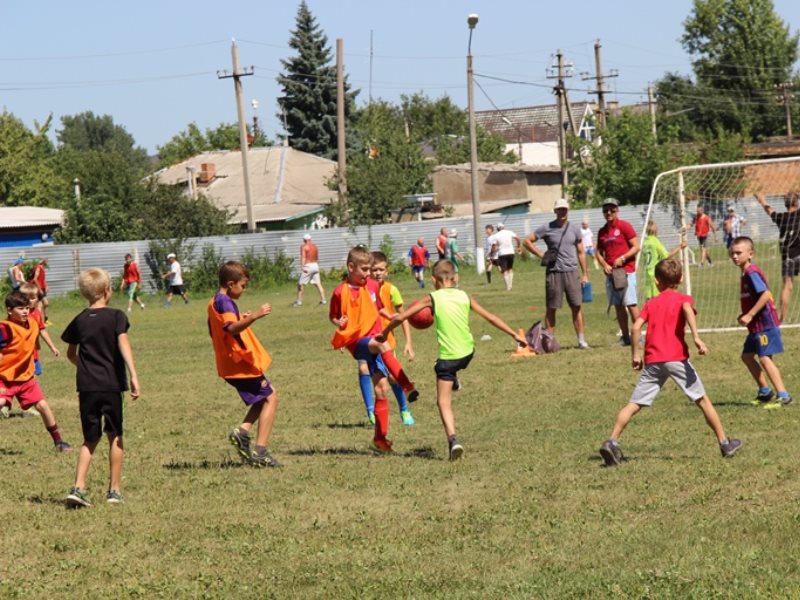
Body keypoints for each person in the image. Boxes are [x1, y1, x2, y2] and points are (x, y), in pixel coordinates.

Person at [377, 259, 527, 461]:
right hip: (468, 353)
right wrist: (513, 335)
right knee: (441, 367)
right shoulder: (465, 295)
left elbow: (400, 318)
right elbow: (490, 317)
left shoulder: (432, 298)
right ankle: (454, 379)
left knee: (443, 401)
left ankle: (453, 440)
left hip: (448, 361)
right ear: (456, 278)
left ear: (433, 280)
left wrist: (385, 333)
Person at [598, 258, 742, 466]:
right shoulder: (684, 299)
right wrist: (696, 337)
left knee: (634, 404)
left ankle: (612, 441)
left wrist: (635, 354)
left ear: (657, 282)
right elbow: (686, 309)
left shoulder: (650, 303)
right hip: (676, 359)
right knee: (702, 400)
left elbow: (636, 328)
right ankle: (725, 443)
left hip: (653, 360)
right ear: (681, 278)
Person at [61, 268, 140, 507]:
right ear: (108, 290)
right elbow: (124, 345)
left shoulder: (80, 319)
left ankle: (78, 487)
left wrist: (84, 367)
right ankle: (114, 491)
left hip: (86, 387)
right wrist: (134, 375)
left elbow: (71, 354)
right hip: (111, 385)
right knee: (115, 435)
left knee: (89, 439)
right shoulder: (116, 317)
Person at [328, 246, 418, 454]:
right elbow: (332, 316)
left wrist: (391, 316)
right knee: (382, 343)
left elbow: (379, 308)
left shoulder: (372, 286)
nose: (368, 274)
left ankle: (380, 439)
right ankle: (406, 385)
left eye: (370, 270)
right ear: (351, 267)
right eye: (365, 269)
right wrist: (338, 321)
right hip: (357, 340)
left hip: (373, 336)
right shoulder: (340, 291)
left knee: (382, 389)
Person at [208, 261, 281, 467]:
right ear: (231, 284)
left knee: (262, 398)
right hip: (238, 364)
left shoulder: (215, 301)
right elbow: (231, 329)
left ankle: (242, 432)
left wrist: (243, 318)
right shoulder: (226, 302)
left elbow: (221, 329)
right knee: (271, 398)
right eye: (243, 285)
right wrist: (255, 316)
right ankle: (260, 451)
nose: (244, 290)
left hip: (229, 364)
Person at [0, 290, 71, 450]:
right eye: (20, 308)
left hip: (25, 377)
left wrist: (52, 346)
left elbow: (41, 329)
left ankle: (59, 441)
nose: (25, 311)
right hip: (5, 377)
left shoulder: (33, 321)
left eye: (26, 307)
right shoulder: (5, 328)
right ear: (9, 310)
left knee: (43, 406)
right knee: (1, 402)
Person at [729, 236, 792, 409]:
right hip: (756, 327)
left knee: (764, 358)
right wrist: (745, 315)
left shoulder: (751, 273)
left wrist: (749, 314)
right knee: (747, 356)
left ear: (751, 254)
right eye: (732, 253)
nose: (734, 256)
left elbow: (766, 295)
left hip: (765, 325)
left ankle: (783, 395)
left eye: (738, 253)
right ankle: (765, 391)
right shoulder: (745, 273)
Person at [522, 198, 590, 349]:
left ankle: (581, 341)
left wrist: (585, 273)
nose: (562, 212)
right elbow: (527, 241)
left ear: (568, 210)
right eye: (559, 209)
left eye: (564, 209)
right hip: (554, 273)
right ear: (555, 211)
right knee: (552, 308)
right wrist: (541, 254)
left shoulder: (574, 229)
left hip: (572, 272)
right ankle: (549, 342)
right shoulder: (547, 227)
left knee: (576, 306)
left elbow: (581, 252)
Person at [371, 251, 416, 425]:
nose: (377, 273)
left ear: (387, 271)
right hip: (369, 342)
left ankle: (404, 410)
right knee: (375, 380)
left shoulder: (391, 290)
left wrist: (408, 343)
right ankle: (375, 414)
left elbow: (402, 316)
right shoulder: (364, 289)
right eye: (374, 269)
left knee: (392, 378)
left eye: (381, 269)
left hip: (388, 342)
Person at [596, 198, 641, 346]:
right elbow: (597, 252)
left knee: (631, 304)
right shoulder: (602, 231)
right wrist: (604, 264)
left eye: (612, 210)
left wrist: (623, 257)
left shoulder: (624, 226)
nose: (608, 213)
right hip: (611, 275)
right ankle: (626, 337)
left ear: (617, 211)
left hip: (626, 272)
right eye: (606, 210)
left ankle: (638, 336)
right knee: (618, 306)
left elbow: (636, 246)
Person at [755, 191, 800, 322]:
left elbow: (769, 211)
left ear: (785, 204)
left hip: (787, 256)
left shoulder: (780, 217)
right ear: (796, 202)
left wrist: (762, 200)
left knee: (787, 286)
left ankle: (782, 318)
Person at [19, 282, 60, 379]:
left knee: (33, 377)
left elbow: (42, 330)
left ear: (37, 299)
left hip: (34, 353)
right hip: (23, 354)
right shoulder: (20, 315)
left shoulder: (37, 313)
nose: (29, 301)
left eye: (32, 298)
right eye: (26, 298)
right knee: (29, 379)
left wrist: (52, 347)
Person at [641, 220, 687, 301]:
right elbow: (666, 255)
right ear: (655, 230)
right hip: (655, 274)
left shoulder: (644, 242)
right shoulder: (655, 241)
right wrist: (680, 246)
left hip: (647, 273)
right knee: (658, 299)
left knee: (649, 299)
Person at [292, 233, 326, 307]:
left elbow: (303, 257)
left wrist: (302, 266)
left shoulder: (303, 246)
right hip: (315, 265)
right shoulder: (315, 246)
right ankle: (323, 300)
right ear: (310, 239)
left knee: (300, 284)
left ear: (304, 240)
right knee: (318, 284)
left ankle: (299, 302)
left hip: (308, 266)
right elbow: (317, 257)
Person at [491, 223, 521, 291]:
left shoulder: (496, 235)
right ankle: (511, 285)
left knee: (504, 270)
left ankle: (508, 287)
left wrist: (492, 253)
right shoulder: (509, 232)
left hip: (502, 254)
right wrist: (518, 246)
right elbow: (518, 238)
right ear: (504, 227)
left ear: (497, 229)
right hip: (511, 252)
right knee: (510, 269)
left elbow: (494, 246)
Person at [29, 258, 50, 323]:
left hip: (42, 288)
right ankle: (40, 320)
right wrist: (40, 289)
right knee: (44, 303)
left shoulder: (43, 268)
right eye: (46, 261)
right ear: (43, 261)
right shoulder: (38, 267)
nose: (47, 262)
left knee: (42, 305)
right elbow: (35, 279)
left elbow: (42, 279)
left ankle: (43, 320)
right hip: (38, 288)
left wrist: (46, 286)